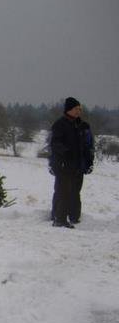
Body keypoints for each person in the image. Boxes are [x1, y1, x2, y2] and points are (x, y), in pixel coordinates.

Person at [49, 97, 95, 228]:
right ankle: (59, 218)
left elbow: (88, 145)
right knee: (63, 191)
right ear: (69, 109)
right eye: (76, 109)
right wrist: (65, 153)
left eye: (80, 109)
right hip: (64, 165)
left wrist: (89, 161)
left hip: (78, 165)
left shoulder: (82, 126)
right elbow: (55, 143)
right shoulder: (60, 124)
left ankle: (74, 216)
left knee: (75, 191)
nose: (78, 111)